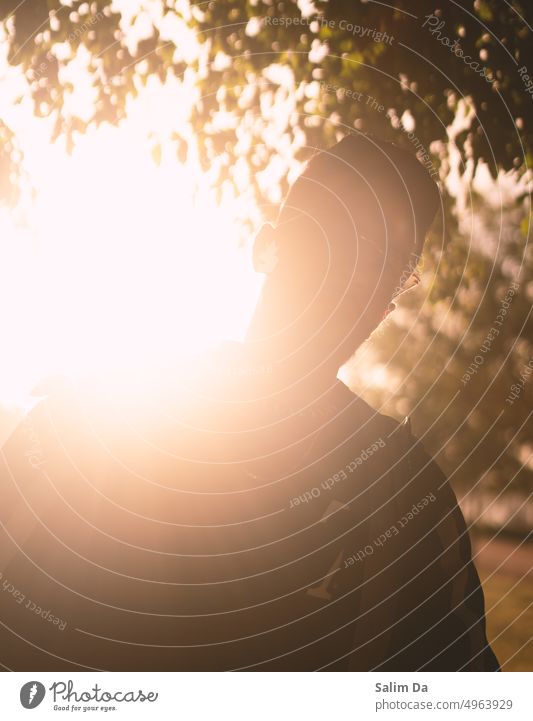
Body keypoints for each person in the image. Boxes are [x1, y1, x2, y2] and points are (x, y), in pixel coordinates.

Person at [0, 133, 499, 671]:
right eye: (340, 235)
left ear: (388, 303)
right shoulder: (84, 428)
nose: (360, 276)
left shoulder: (406, 498)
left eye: (389, 263)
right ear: (267, 248)